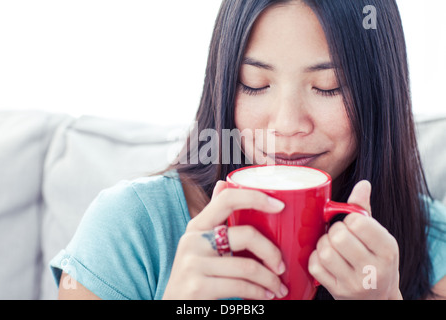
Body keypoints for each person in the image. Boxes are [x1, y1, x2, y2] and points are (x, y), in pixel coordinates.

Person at [51, 0, 446, 300]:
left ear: (380, 92)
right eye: (254, 83)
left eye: (329, 86)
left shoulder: (431, 241)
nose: (287, 124)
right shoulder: (131, 227)